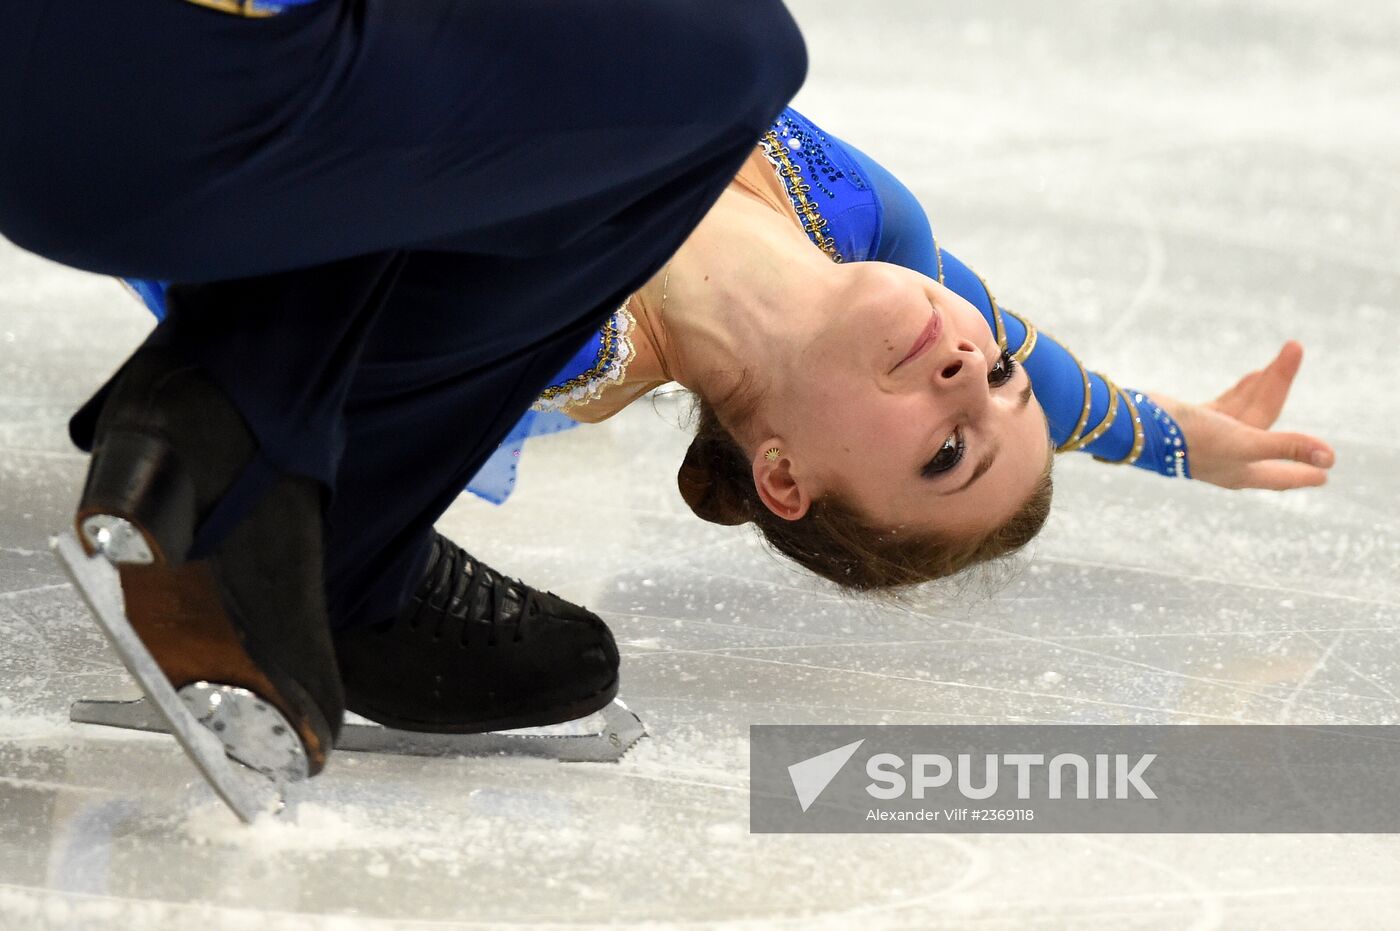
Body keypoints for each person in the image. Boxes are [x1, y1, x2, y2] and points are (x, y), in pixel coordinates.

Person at [114, 104, 1335, 738]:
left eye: (943, 450)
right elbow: (1047, 384)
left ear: (784, 478)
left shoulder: (547, 348)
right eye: (993, 373)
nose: (969, 372)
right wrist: (1179, 436)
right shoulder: (868, 228)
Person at [0, 0, 808, 786]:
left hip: (102, 81)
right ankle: (299, 492)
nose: (943, 369)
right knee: (738, 55)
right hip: (145, 87)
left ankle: (260, 432)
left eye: (937, 449)